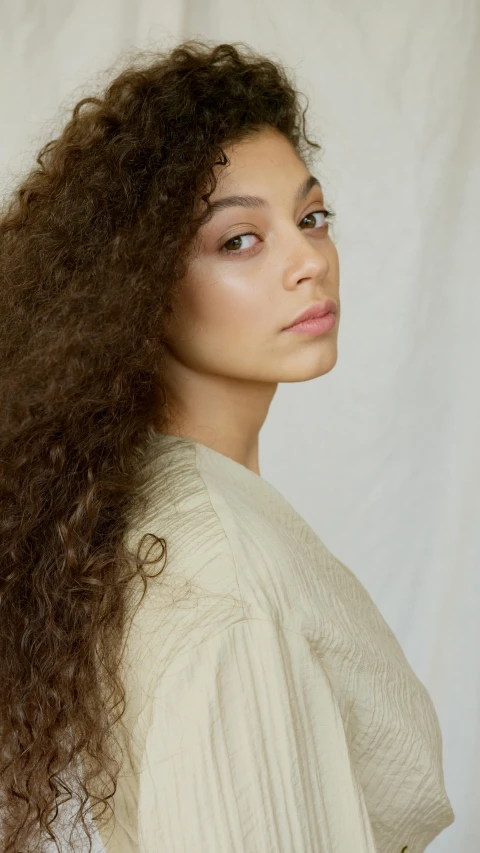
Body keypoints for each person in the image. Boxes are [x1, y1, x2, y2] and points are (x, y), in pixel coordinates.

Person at [0, 39, 454, 853]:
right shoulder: (230, 587)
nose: (309, 260)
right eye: (240, 239)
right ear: (137, 284)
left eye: (310, 218)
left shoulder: (155, 516)